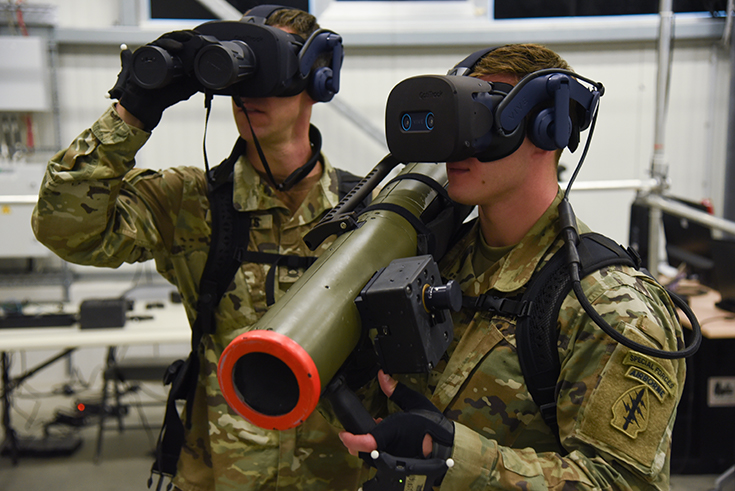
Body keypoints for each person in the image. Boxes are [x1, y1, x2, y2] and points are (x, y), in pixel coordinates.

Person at [32, 6, 370, 491]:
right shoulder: (190, 202)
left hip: (335, 474)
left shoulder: (368, 213)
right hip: (219, 471)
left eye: (268, 67)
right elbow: (64, 228)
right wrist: (132, 110)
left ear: (317, 76)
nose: (248, 92)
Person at [340, 44, 686, 490]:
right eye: (455, 116)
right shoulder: (430, 264)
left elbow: (620, 483)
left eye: (482, 118)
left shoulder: (610, 308)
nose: (458, 141)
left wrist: (451, 455)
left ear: (549, 127)